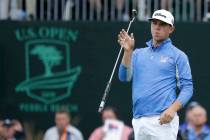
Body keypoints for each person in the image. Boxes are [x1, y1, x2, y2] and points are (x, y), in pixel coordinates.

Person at [118, 9, 193, 139]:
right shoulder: (137, 53)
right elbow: (124, 78)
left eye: (162, 24)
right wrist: (128, 52)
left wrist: (172, 109)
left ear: (171, 29)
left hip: (163, 120)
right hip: (139, 119)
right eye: (154, 23)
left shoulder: (178, 55)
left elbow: (188, 88)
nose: (157, 28)